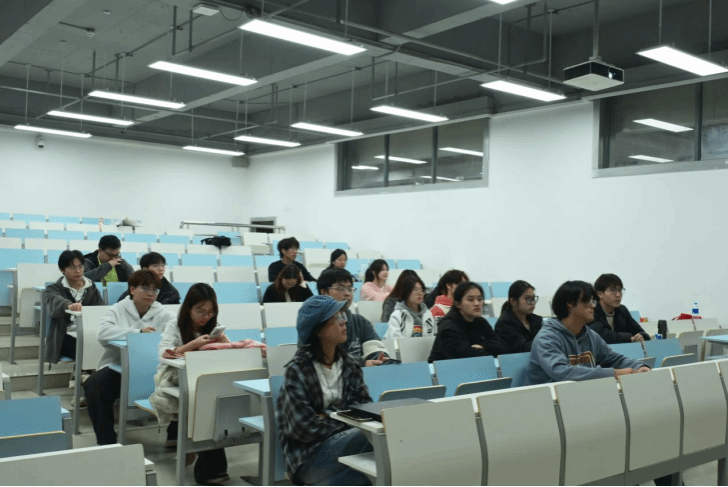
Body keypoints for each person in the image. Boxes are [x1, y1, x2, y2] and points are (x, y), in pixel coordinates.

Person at [276, 295, 373, 486]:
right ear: (319, 330)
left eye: (343, 315)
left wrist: (326, 415)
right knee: (367, 436)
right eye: (336, 318)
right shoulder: (298, 370)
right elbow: (304, 428)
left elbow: (365, 408)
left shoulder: (350, 365)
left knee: (372, 471)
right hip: (309, 457)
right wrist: (345, 418)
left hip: (345, 447)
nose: (344, 322)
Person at [83, 270, 176, 446]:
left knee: (183, 382)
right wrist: (137, 332)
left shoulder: (163, 313)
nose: (151, 293)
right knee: (94, 385)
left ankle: (175, 437)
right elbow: (103, 333)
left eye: (155, 290)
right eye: (145, 288)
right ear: (132, 289)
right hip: (120, 368)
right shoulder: (118, 309)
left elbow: (178, 330)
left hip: (154, 370)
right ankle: (107, 442)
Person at [150, 283, 231, 485]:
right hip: (174, 379)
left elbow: (229, 352)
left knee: (212, 397)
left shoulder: (213, 325)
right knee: (204, 401)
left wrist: (224, 342)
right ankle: (211, 468)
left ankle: (206, 461)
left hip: (201, 380)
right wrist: (193, 345)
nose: (205, 317)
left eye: (210, 312)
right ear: (188, 308)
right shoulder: (175, 325)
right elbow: (163, 353)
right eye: (200, 311)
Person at [526, 280, 651, 386]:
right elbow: (562, 372)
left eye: (593, 301)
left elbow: (614, 359)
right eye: (588, 300)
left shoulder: (590, 335)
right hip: (550, 401)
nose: (593, 306)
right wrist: (614, 373)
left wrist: (639, 366)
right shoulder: (547, 338)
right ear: (570, 303)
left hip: (584, 395)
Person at [318, 269, 391, 367]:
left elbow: (375, 348)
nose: (347, 293)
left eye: (350, 289)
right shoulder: (317, 323)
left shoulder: (360, 322)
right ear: (324, 293)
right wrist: (362, 363)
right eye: (340, 288)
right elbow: (323, 360)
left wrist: (379, 359)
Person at [45, 250, 104, 364]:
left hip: (88, 333)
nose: (78, 271)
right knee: (88, 349)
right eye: (72, 267)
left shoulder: (91, 287)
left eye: (80, 266)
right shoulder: (54, 288)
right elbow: (55, 301)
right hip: (65, 335)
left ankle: (88, 373)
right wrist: (68, 305)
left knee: (103, 346)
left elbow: (99, 308)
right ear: (62, 269)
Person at [428, 282, 508, 362]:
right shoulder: (448, 326)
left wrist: (483, 346)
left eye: (479, 299)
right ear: (458, 304)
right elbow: (466, 355)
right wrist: (490, 349)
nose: (477, 303)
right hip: (447, 368)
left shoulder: (481, 322)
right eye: (470, 300)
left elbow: (502, 347)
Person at [588, 273, 650, 344]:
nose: (618, 295)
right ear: (600, 294)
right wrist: (630, 337)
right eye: (613, 290)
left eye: (620, 290)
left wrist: (640, 336)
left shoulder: (622, 310)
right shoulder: (592, 310)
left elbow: (642, 333)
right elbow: (604, 336)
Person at [494, 280, 544, 353]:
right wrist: (545, 343)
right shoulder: (504, 324)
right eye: (527, 298)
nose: (532, 302)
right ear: (513, 301)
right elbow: (522, 348)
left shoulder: (536, 320)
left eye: (533, 298)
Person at [385, 275, 435, 339]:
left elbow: (431, 338)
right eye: (415, 290)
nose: (420, 293)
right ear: (406, 293)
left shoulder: (428, 315)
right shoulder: (397, 316)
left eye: (421, 290)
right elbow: (395, 339)